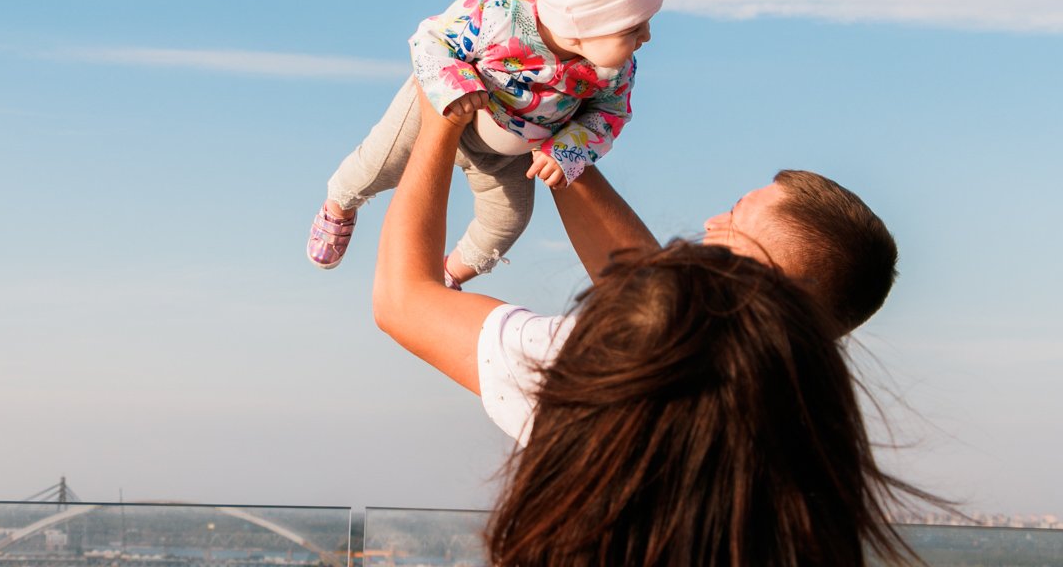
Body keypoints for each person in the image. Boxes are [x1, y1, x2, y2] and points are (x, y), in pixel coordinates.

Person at [372, 88, 926, 566]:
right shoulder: (813, 435)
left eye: (735, 218)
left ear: (761, 281)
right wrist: (556, 132)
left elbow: (403, 300)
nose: (713, 222)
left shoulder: (618, 379)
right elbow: (650, 295)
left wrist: (438, 114)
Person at [308, 0, 665, 288]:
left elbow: (610, 115)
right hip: (445, 108)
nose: (647, 37)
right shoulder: (499, 18)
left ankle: (450, 275)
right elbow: (431, 39)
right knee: (377, 163)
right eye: (633, 28)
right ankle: (339, 204)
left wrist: (569, 150)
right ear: (580, 27)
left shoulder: (614, 70)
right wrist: (455, 87)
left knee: (509, 220)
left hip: (505, 155)